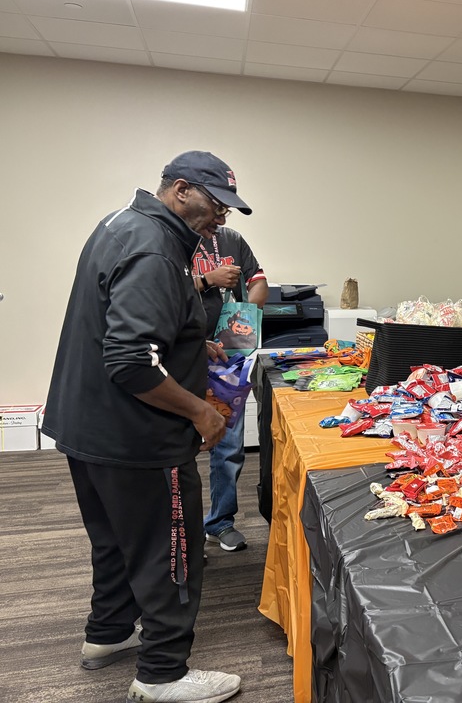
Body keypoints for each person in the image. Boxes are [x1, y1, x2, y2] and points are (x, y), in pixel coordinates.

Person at [42, 150, 250, 703]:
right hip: (138, 438)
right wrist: (200, 412)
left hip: (87, 428)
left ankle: (108, 633)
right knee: (170, 551)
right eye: (215, 204)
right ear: (181, 190)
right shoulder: (157, 249)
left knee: (115, 540)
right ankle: (163, 673)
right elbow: (132, 360)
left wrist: (190, 341)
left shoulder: (121, 223)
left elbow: (125, 322)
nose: (221, 217)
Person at [192, 226, 268, 553]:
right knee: (177, 448)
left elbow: (258, 281)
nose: (220, 215)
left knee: (229, 445)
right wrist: (207, 280)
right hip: (183, 354)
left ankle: (220, 522)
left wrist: (246, 318)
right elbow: (161, 290)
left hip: (227, 358)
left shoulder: (231, 239)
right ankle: (180, 534)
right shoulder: (170, 237)